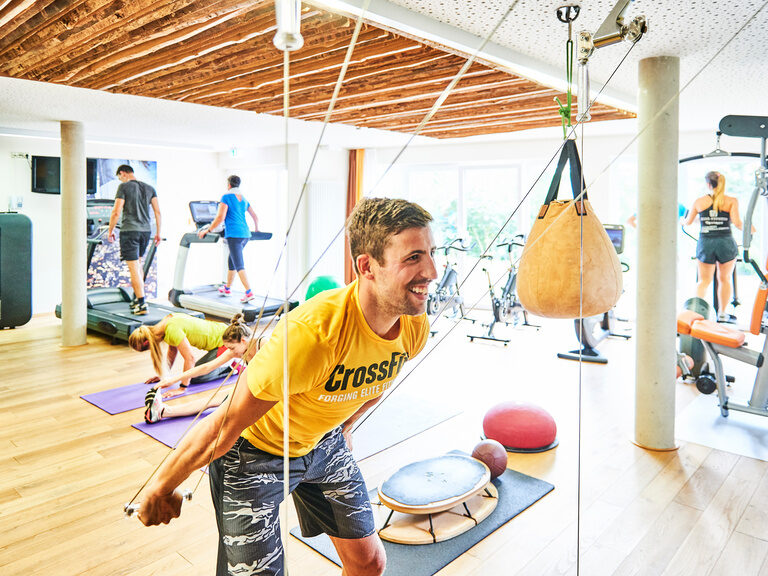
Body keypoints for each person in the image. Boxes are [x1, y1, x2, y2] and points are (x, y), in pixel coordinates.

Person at [137, 197, 437, 576]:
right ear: (367, 266)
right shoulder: (312, 337)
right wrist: (162, 487)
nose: (432, 270)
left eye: (431, 252)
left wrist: (343, 426)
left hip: (322, 444)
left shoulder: (413, 323)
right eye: (413, 257)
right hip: (253, 455)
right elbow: (223, 424)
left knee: (369, 563)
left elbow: (376, 382)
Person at [144, 314, 264, 424]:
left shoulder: (263, 344)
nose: (230, 352)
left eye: (231, 348)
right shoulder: (238, 349)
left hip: (265, 391)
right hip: (254, 387)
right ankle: (162, 411)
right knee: (210, 400)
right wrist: (173, 379)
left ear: (243, 341)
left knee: (225, 406)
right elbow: (207, 367)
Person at [129, 312, 240, 398]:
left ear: (146, 343)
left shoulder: (172, 330)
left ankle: (233, 367)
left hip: (225, 342)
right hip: (222, 332)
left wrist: (182, 388)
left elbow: (190, 358)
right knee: (191, 374)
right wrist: (163, 375)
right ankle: (228, 364)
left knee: (195, 377)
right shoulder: (166, 322)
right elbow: (172, 351)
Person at [684, 171, 747, 322]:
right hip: (725, 242)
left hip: (706, 242)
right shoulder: (731, 200)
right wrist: (751, 229)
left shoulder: (699, 202)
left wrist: (683, 220)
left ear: (708, 184)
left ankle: (695, 313)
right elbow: (738, 223)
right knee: (725, 279)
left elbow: (688, 222)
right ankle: (723, 314)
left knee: (704, 281)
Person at [107, 164, 162, 315]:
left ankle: (142, 304)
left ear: (123, 173)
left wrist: (111, 230)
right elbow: (157, 212)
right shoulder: (150, 188)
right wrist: (158, 233)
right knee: (138, 266)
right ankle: (137, 299)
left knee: (134, 269)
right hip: (145, 231)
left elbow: (116, 212)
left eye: (119, 177)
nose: (120, 179)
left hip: (130, 231)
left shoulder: (123, 187)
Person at [198, 175, 260, 303]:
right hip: (245, 235)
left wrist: (207, 230)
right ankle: (227, 288)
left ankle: (249, 292)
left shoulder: (226, 197)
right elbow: (255, 216)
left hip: (234, 235)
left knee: (239, 264)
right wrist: (257, 229)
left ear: (229, 185)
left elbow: (220, 217)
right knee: (232, 260)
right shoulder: (243, 199)